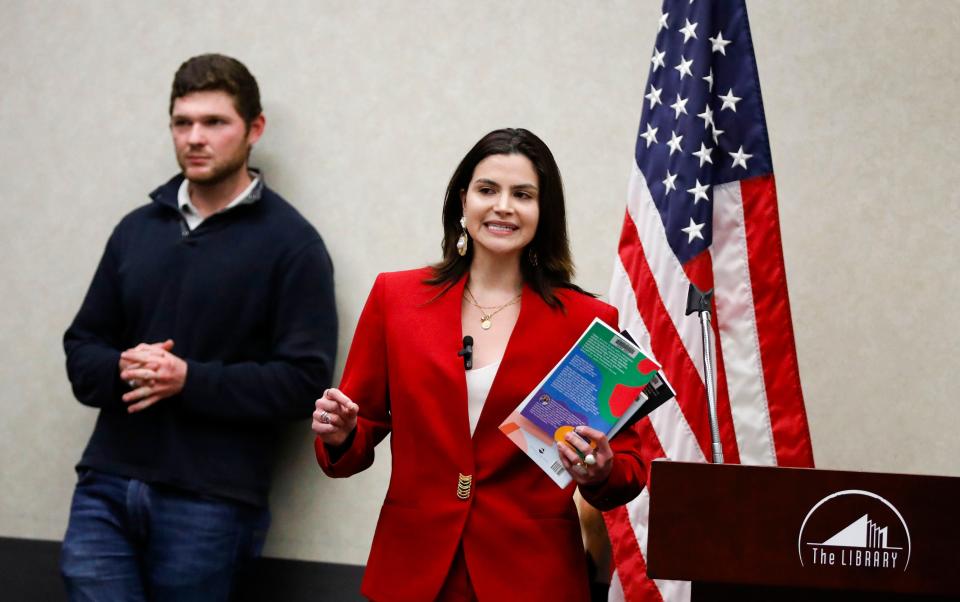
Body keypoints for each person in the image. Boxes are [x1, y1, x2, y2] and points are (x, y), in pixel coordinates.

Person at [312, 128, 645, 601]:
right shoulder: (396, 298)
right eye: (488, 190)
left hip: (532, 575)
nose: (503, 206)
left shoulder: (588, 321)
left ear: (543, 211)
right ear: (462, 202)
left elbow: (627, 469)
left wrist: (599, 470)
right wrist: (341, 433)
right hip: (414, 571)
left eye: (523, 194)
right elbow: (357, 429)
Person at [60, 53, 337, 600]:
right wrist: (120, 366)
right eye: (182, 122)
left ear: (254, 129)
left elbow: (305, 382)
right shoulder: (136, 230)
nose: (195, 137)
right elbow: (81, 347)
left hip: (211, 500)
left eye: (214, 122)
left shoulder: (292, 244)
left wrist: (189, 379)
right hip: (106, 486)